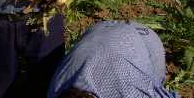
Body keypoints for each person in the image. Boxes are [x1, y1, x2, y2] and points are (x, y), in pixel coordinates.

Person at [47, 21, 181, 98]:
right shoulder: (54, 92)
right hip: (98, 34)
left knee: (154, 81)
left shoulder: (133, 93)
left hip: (143, 38)